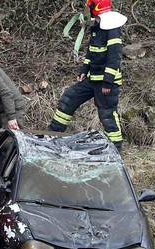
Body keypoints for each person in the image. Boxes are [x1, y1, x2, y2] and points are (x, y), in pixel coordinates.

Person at [48, 0, 127, 152]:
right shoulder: (97, 26)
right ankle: (52, 133)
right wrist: (84, 69)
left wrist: (108, 82)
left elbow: (114, 57)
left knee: (107, 114)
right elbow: (92, 52)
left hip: (106, 83)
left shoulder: (112, 28)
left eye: (89, 5)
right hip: (92, 79)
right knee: (69, 98)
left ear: (96, 7)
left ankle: (116, 148)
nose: (87, 8)